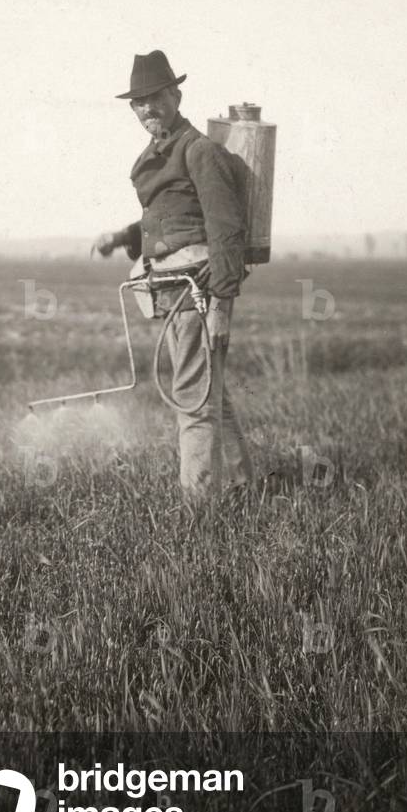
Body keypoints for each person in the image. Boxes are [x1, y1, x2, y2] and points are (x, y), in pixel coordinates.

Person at [93, 50, 253, 499]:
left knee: (191, 395)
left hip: (199, 289)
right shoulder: (162, 150)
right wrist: (122, 236)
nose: (148, 108)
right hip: (174, 288)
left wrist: (221, 304)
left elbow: (225, 230)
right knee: (208, 394)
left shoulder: (198, 151)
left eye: (156, 97)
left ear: (176, 95)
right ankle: (241, 489)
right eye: (139, 102)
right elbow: (171, 217)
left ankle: (200, 511)